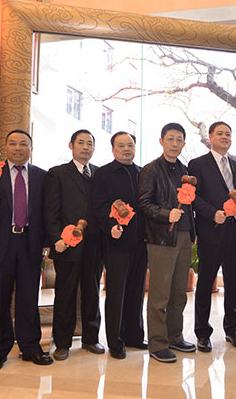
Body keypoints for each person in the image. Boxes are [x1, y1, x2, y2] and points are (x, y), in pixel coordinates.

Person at [0, 129, 53, 372]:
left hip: (30, 244)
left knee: (29, 299)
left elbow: (46, 213)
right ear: (6, 148)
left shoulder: (42, 176)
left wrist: (46, 243)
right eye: (13, 143)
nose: (18, 148)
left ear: (31, 149)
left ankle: (30, 347)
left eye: (23, 144)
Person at [188, 121, 236, 352]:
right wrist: (211, 213)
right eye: (220, 133)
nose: (224, 137)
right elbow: (192, 197)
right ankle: (202, 333)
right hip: (210, 231)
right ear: (210, 137)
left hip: (235, 232)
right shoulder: (197, 164)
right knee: (206, 282)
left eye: (228, 134)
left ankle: (232, 329)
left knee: (233, 284)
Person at [138, 122, 196, 363]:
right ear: (161, 141)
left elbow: (190, 205)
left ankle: (174, 336)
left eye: (179, 140)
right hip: (161, 237)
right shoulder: (151, 169)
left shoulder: (185, 170)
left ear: (184, 143)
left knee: (179, 292)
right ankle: (158, 343)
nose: (174, 144)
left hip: (183, 237)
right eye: (170, 139)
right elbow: (143, 203)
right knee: (160, 294)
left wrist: (192, 234)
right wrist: (165, 214)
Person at [43, 129, 104, 361]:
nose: (86, 147)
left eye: (90, 143)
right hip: (67, 245)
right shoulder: (58, 173)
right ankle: (62, 342)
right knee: (65, 295)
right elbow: (50, 211)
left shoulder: (98, 173)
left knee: (92, 293)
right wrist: (56, 239)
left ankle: (90, 338)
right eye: (81, 143)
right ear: (71, 145)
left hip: (94, 244)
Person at [92, 131, 148, 360]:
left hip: (141, 242)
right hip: (116, 242)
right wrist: (110, 226)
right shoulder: (103, 174)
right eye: (121, 145)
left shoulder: (142, 173)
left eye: (130, 145)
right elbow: (98, 205)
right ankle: (115, 341)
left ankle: (134, 335)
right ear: (113, 149)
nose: (126, 149)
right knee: (116, 293)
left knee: (137, 291)